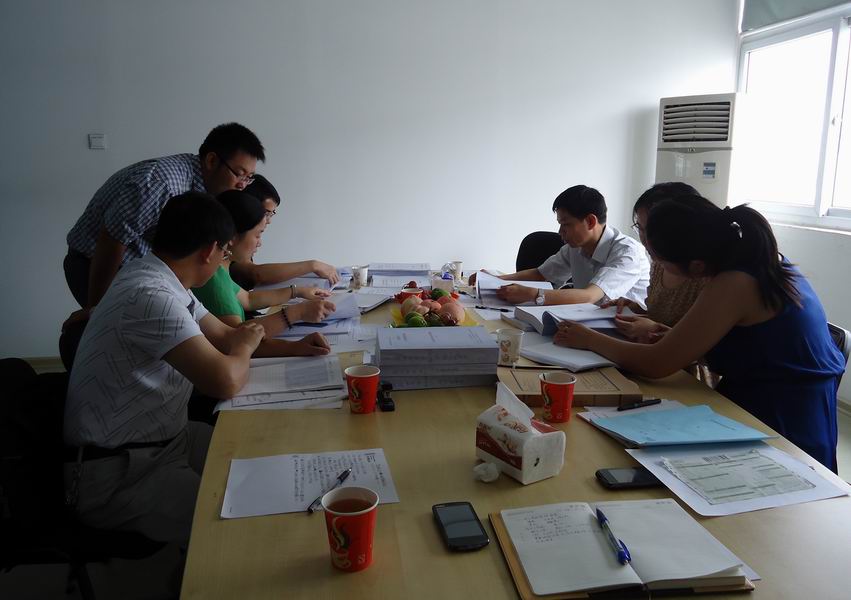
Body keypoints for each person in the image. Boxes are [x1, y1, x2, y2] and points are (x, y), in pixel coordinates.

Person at [554, 195, 845, 471]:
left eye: (660, 261)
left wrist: (589, 338)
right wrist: (670, 334)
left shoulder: (735, 282)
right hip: (756, 399)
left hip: (782, 422)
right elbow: (748, 344)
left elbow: (656, 364)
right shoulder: (758, 259)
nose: (657, 267)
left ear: (696, 266)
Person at [63, 191, 266, 552]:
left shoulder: (163, 277)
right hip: (120, 473)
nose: (224, 259)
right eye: (225, 252)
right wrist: (246, 347)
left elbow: (223, 337)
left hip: (168, 441)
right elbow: (226, 380)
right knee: (237, 520)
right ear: (210, 251)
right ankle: (200, 574)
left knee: (256, 454)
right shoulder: (150, 294)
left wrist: (242, 342)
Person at [64, 122, 265, 311]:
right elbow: (111, 240)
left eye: (249, 177)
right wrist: (98, 310)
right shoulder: (163, 184)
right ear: (211, 161)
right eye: (239, 174)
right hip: (94, 264)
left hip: (138, 269)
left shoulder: (207, 188)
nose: (242, 185)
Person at [192, 190, 335, 356]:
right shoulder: (213, 280)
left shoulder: (220, 270)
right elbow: (236, 339)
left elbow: (248, 299)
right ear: (232, 237)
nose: (259, 243)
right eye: (258, 235)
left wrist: (297, 291)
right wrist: (298, 313)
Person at [470, 185, 650, 306]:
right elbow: (541, 274)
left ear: (590, 221)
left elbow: (589, 296)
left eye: (566, 224)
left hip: (628, 332)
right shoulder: (575, 247)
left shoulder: (628, 252)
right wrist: (496, 280)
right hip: (588, 320)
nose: (560, 232)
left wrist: (533, 295)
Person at [604, 182, 707, 343]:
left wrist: (655, 329)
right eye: (640, 228)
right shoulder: (659, 264)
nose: (646, 239)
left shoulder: (706, 275)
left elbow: (702, 342)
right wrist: (636, 308)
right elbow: (663, 315)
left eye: (653, 231)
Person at [229, 173, 341, 289]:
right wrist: (313, 265)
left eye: (271, 214)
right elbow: (256, 274)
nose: (268, 221)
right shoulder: (234, 238)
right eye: (266, 213)